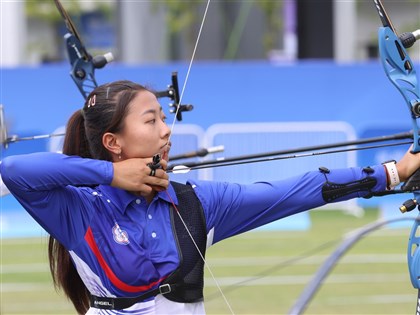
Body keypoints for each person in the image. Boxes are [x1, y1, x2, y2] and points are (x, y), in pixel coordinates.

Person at [1, 80, 420, 315]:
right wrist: (111, 174)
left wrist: (393, 173)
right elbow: (15, 170)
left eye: (164, 119)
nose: (167, 130)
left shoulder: (197, 202)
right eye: (152, 121)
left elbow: (297, 190)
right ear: (113, 141)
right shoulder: (81, 209)